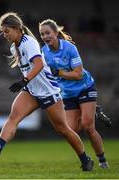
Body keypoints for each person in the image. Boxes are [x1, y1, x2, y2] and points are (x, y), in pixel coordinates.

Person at [0, 12, 94, 171]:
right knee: (13, 117)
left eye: (7, 31)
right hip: (32, 91)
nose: (4, 35)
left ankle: (85, 159)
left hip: (48, 92)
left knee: (63, 130)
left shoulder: (29, 43)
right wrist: (26, 83)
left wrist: (24, 80)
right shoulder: (15, 47)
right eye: (2, 32)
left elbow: (39, 64)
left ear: (18, 28)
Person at [39, 19, 108, 169]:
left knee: (87, 126)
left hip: (85, 88)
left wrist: (59, 72)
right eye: (42, 34)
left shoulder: (70, 48)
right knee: (69, 131)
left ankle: (102, 161)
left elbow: (78, 75)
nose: (45, 36)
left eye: (48, 33)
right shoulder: (44, 52)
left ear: (56, 33)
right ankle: (93, 110)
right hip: (68, 94)